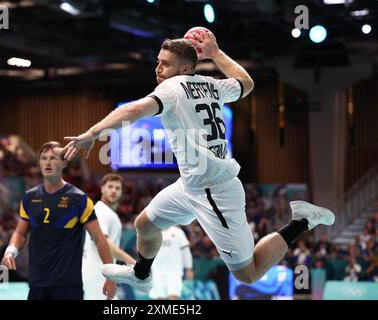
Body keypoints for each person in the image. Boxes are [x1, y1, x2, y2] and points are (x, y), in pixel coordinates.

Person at [63, 30, 335, 292]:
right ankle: (142, 275)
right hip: (191, 185)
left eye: (165, 64)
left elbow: (134, 109)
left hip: (215, 191)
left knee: (247, 273)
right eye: (158, 62)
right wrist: (216, 53)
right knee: (144, 224)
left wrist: (93, 133)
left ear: (183, 70)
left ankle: (301, 221)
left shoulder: (171, 88)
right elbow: (246, 83)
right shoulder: (211, 85)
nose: (158, 68)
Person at [0, 141, 116, 300]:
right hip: (37, 284)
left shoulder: (79, 199)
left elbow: (99, 239)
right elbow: (20, 233)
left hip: (68, 286)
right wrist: (10, 251)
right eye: (44, 158)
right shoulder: (29, 198)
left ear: (63, 163)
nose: (47, 162)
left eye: (53, 158)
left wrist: (111, 277)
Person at [82, 173, 136, 300]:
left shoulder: (108, 213)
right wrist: (130, 260)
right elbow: (103, 242)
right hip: (97, 274)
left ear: (121, 192)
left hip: (101, 274)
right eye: (110, 186)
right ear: (102, 189)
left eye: (117, 188)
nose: (113, 191)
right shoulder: (101, 211)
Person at [149, 226, 193, 300]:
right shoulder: (152, 233)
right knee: (159, 297)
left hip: (175, 271)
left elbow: (186, 251)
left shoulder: (178, 232)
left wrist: (189, 268)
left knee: (174, 296)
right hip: (157, 271)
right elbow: (147, 253)